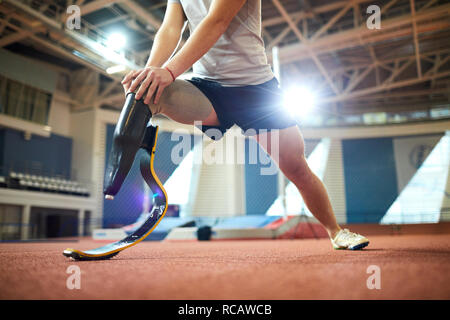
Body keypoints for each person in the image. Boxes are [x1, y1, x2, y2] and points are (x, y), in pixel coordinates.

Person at [120, 0, 369, 250]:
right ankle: (115, 183)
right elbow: (170, 28)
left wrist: (170, 71)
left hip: (256, 91)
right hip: (209, 89)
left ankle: (336, 232)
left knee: (296, 168)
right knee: (150, 92)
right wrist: (149, 72)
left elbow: (217, 21)